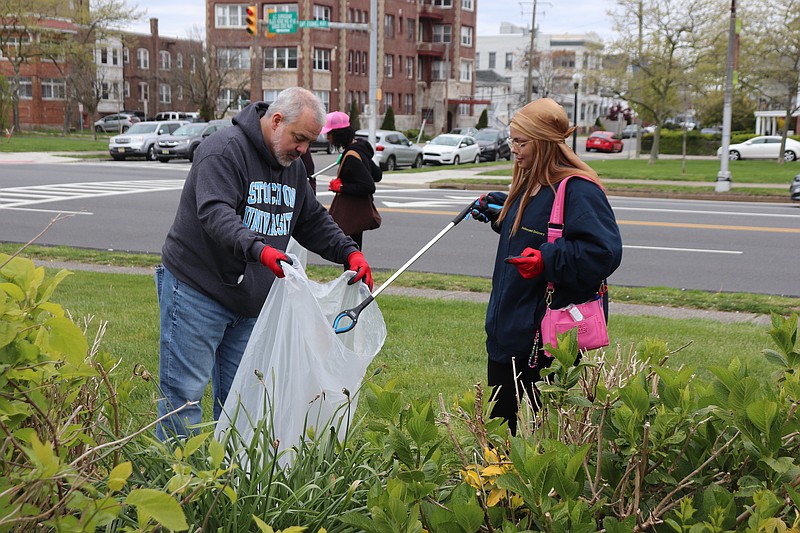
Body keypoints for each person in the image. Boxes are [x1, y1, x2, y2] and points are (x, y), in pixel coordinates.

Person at [155, 87, 373, 440]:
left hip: (250, 303)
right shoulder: (224, 151)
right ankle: (176, 487)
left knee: (241, 401)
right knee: (184, 400)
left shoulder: (293, 167)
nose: (304, 150)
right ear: (275, 121)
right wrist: (259, 250)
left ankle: (224, 485)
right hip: (198, 291)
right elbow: (215, 213)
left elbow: (311, 219)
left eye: (309, 142)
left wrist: (349, 251)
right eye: (300, 139)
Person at [470, 97, 623, 435]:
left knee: (540, 434)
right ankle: (498, 487)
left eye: (521, 142)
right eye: (512, 140)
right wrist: (501, 212)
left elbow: (604, 252)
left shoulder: (578, 189)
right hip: (507, 327)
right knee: (499, 428)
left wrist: (546, 260)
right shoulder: (529, 182)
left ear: (542, 142)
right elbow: (534, 230)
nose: (513, 149)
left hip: (544, 339)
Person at [323, 111, 382, 250]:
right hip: (357, 213)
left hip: (350, 213)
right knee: (354, 250)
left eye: (329, 133)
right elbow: (377, 174)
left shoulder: (351, 156)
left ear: (338, 134)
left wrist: (342, 187)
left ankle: (354, 272)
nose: (327, 137)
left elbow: (369, 186)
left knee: (349, 252)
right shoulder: (360, 149)